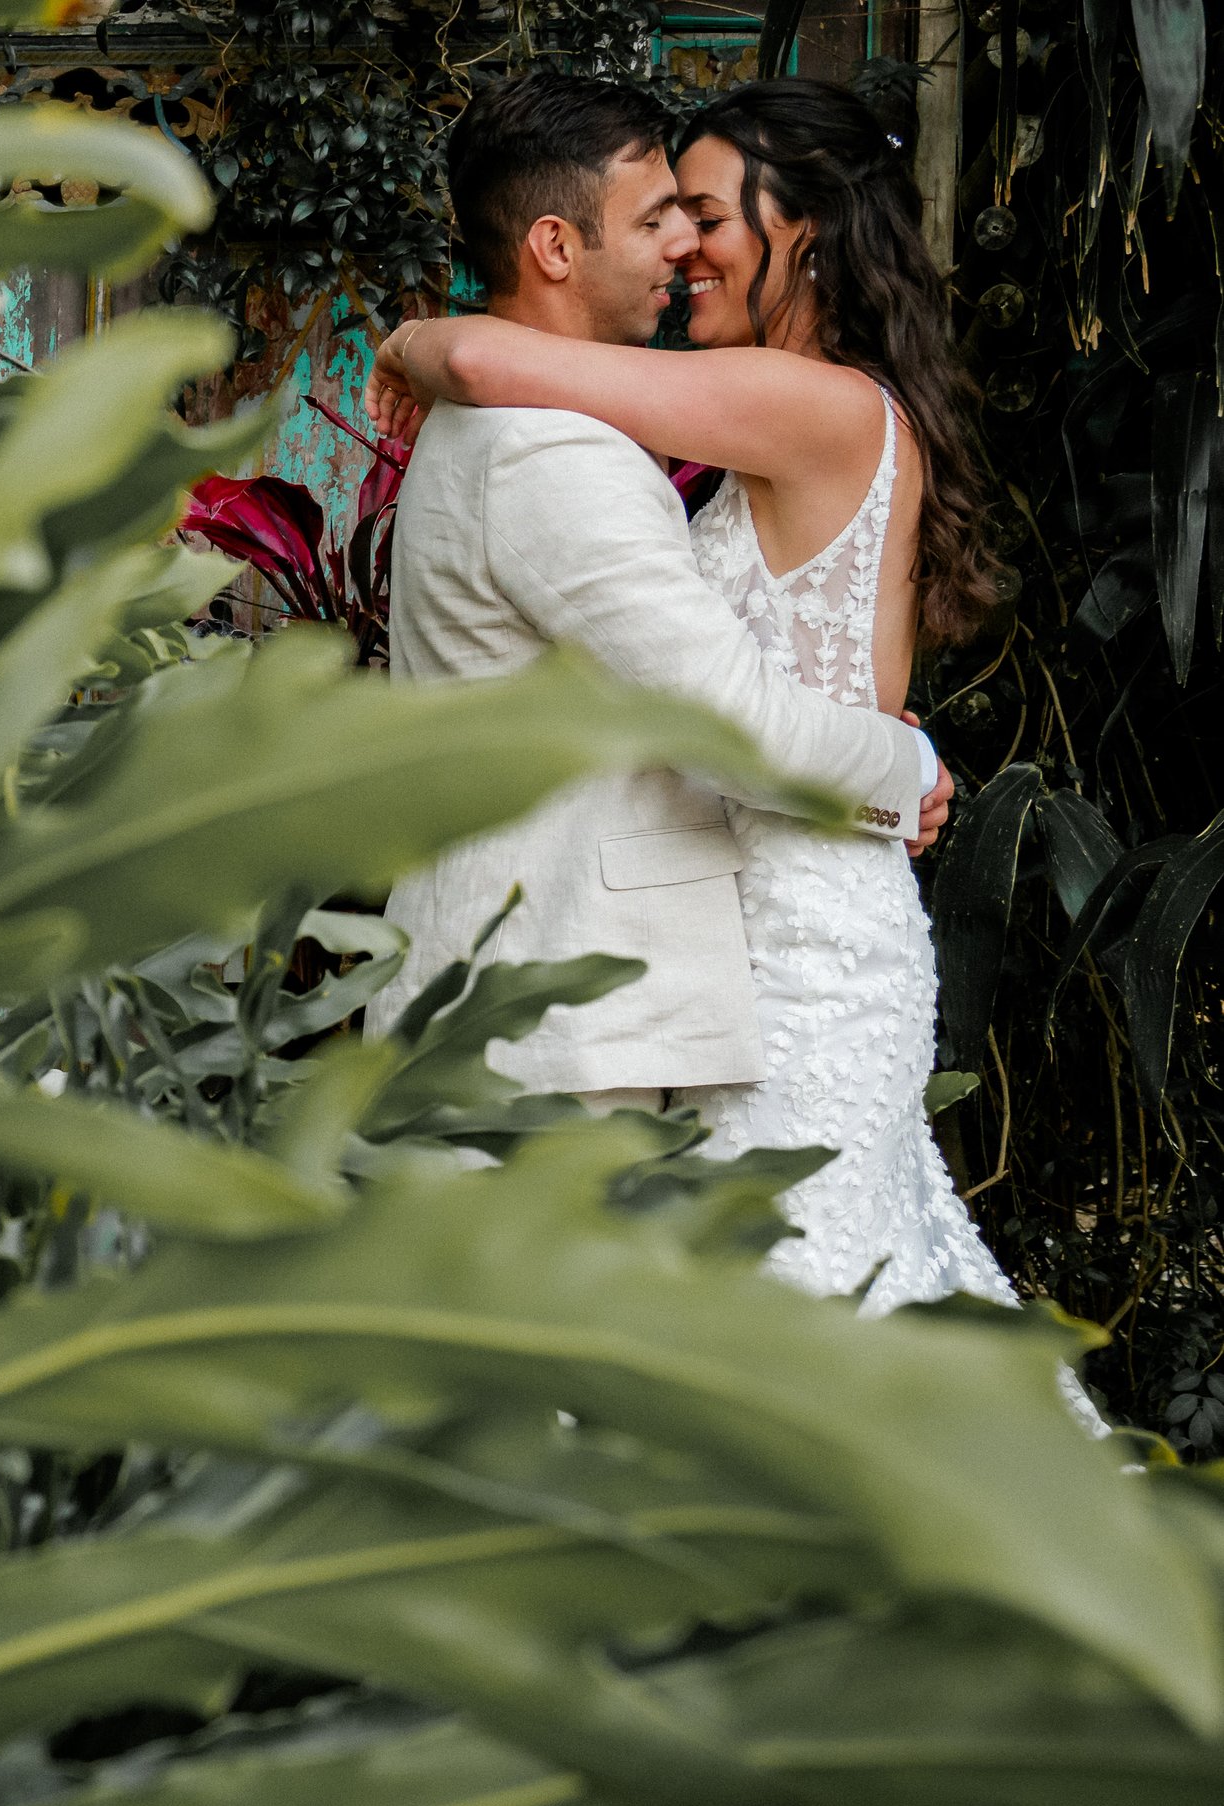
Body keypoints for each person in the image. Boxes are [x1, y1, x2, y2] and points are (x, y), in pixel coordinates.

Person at [364, 77, 1022, 1320]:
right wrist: (897, 763)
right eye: (665, 215)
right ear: (561, 243)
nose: (683, 247)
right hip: (746, 906)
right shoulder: (724, 420)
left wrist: (412, 344)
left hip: (792, 919)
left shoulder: (797, 403)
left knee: (798, 1301)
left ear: (806, 233)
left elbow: (481, 349)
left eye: (705, 214)